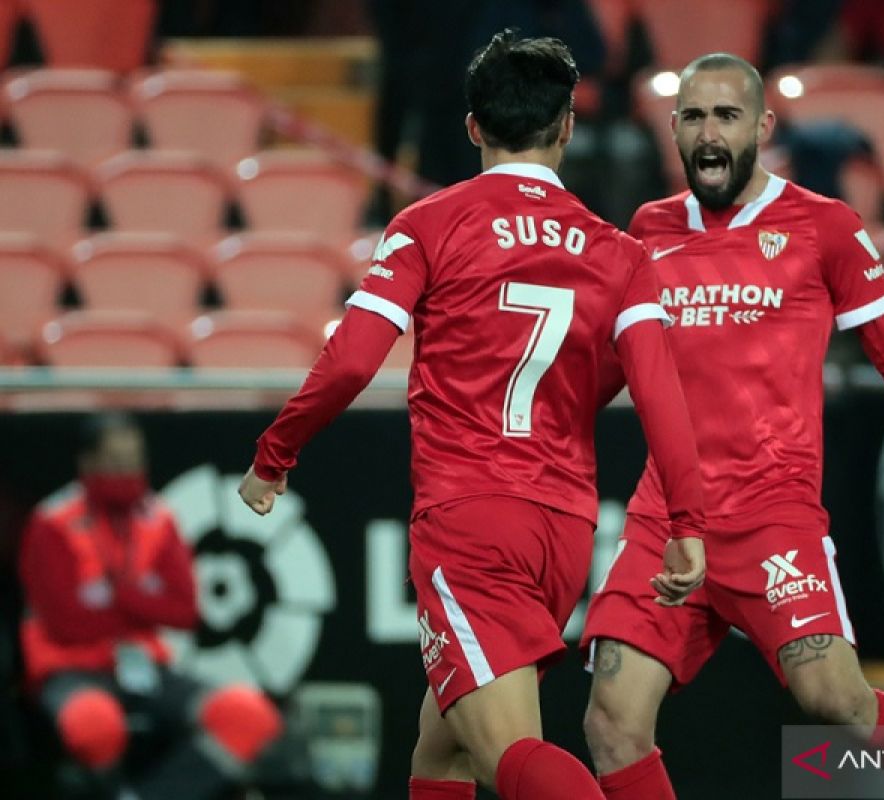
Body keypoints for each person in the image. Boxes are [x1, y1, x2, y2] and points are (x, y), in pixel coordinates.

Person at [237, 30, 706, 800]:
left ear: (472, 126)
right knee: (441, 752)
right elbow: (659, 391)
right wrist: (686, 519)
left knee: (509, 751)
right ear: (566, 128)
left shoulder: (430, 223)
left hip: (471, 518)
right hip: (562, 529)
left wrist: (275, 453)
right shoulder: (621, 255)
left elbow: (353, 360)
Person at [579, 53, 884, 800]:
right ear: (674, 127)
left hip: (772, 515)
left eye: (727, 115)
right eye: (695, 116)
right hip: (667, 520)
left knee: (836, 700)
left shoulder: (823, 227)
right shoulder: (648, 230)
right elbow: (616, 366)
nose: (710, 132)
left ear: (762, 127)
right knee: (611, 723)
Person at [18, 413, 282, 800]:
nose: (126, 471)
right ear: (87, 463)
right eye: (114, 461)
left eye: (133, 461)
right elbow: (66, 624)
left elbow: (185, 612)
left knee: (247, 716)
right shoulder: (52, 523)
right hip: (71, 669)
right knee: (93, 724)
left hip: (144, 668)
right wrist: (145, 602)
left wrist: (118, 594)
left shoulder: (158, 519)